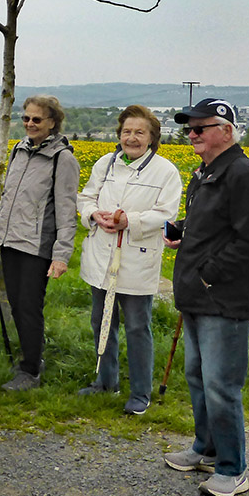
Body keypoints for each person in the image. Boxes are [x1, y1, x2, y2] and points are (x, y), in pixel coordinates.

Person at [163, 98, 249, 496]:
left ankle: (232, 468)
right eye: (189, 129)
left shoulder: (242, 173)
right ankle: (206, 450)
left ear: (225, 130)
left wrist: (208, 275)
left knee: (221, 385)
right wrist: (182, 233)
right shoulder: (205, 173)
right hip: (196, 296)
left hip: (223, 300)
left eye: (199, 128)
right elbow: (212, 225)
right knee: (198, 378)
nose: (191, 135)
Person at [77, 105, 182, 415]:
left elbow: (166, 213)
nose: (131, 138)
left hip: (138, 259)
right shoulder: (105, 164)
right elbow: (86, 198)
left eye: (139, 132)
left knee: (137, 326)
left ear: (152, 138)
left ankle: (140, 392)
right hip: (101, 257)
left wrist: (130, 220)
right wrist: (94, 214)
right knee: (102, 321)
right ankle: (106, 381)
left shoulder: (165, 171)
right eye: (126, 131)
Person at [0, 95, 80, 391]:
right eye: (26, 118)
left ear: (52, 123)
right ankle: (31, 359)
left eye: (37, 119)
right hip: (11, 243)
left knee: (29, 307)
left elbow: (66, 210)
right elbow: (10, 200)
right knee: (17, 304)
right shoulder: (19, 151)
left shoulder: (63, 159)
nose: (30, 124)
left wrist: (61, 256)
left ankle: (31, 371)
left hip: (37, 247)